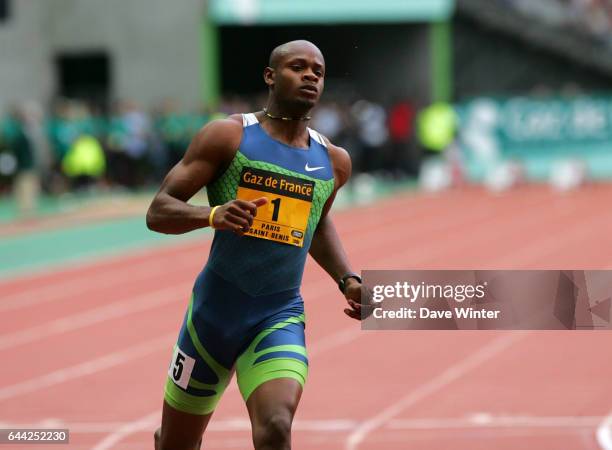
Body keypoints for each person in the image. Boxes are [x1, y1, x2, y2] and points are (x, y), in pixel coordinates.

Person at [146, 40, 365, 450]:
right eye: (297, 67)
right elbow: (158, 211)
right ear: (270, 76)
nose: (309, 76)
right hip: (211, 318)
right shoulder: (227, 136)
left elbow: (316, 225)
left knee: (277, 426)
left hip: (277, 316)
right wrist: (211, 215)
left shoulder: (333, 160)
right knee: (176, 444)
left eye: (317, 71)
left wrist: (347, 279)